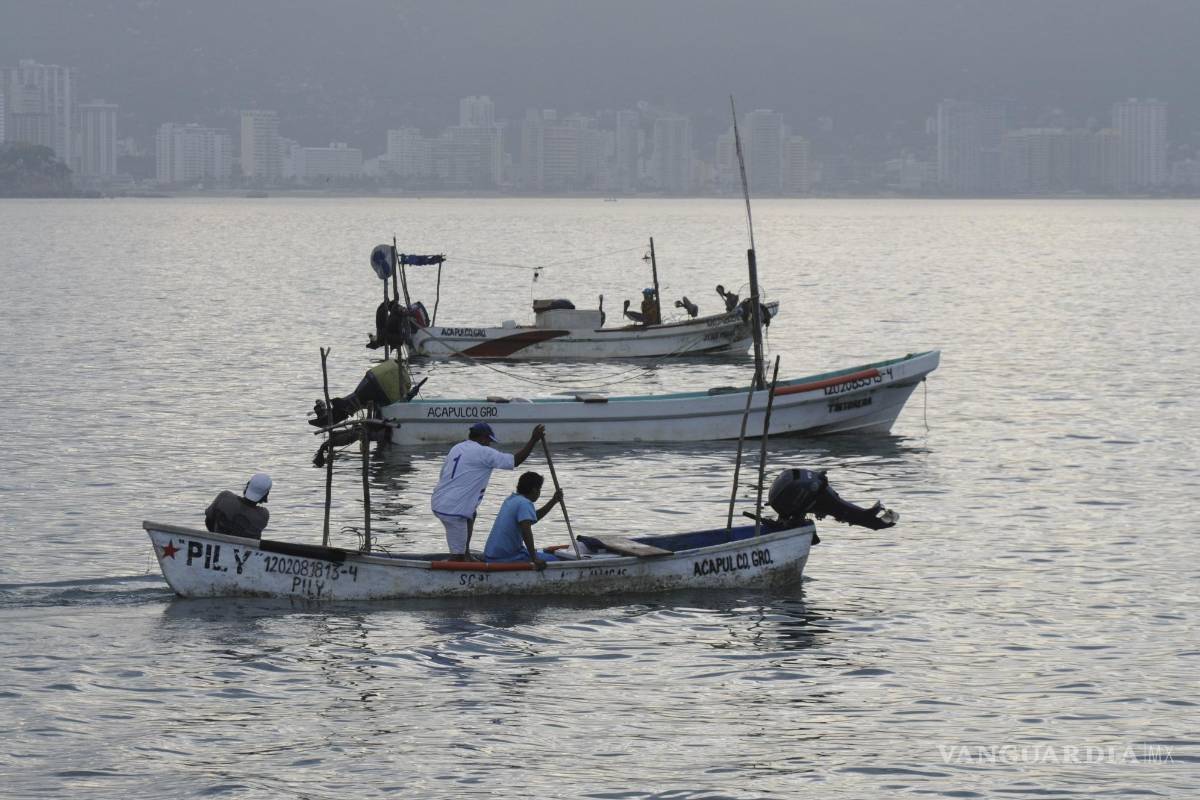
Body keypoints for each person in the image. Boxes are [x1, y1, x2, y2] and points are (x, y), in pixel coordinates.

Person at [431, 422, 545, 559]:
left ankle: (466, 555)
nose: (490, 445)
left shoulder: (457, 448)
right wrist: (533, 440)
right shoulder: (483, 451)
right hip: (454, 510)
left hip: (439, 502)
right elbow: (514, 461)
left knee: (472, 514)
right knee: (457, 556)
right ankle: (460, 559)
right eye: (489, 441)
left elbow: (443, 474)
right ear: (484, 438)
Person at [483, 472, 564, 569]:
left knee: (536, 554)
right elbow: (526, 531)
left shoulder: (511, 499)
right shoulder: (525, 503)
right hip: (505, 557)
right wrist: (534, 558)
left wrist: (553, 501)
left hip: (490, 554)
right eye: (539, 489)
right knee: (554, 560)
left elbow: (533, 517)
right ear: (534, 490)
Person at [310, 357, 414, 428]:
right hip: (371, 390)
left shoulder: (395, 368)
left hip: (370, 388)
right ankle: (326, 415)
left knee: (348, 404)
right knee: (348, 405)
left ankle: (326, 415)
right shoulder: (399, 375)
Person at [205, 472, 271, 539]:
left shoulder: (224, 496)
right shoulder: (263, 515)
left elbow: (208, 521)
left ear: (248, 485)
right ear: (266, 495)